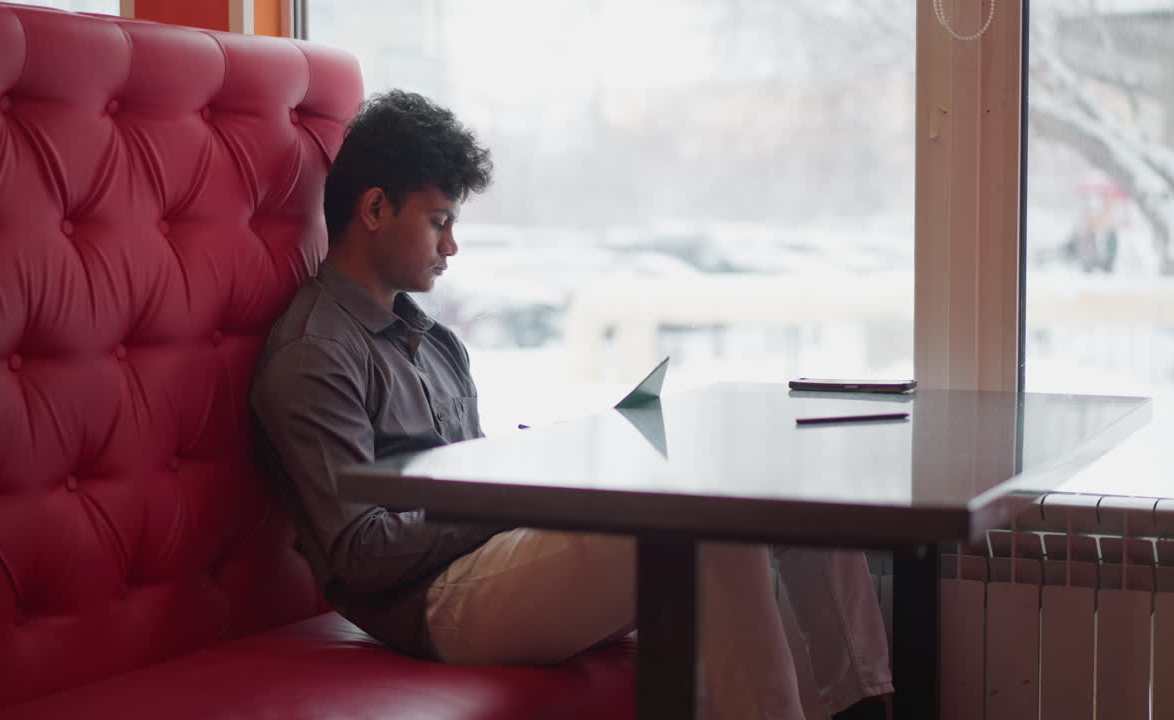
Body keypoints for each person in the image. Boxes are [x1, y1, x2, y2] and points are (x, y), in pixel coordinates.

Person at [251, 90, 892, 720]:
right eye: (439, 220)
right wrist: (510, 489)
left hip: (490, 558)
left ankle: (867, 705)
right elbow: (360, 554)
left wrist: (546, 461)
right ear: (373, 209)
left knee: (777, 487)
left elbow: (464, 477)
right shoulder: (316, 353)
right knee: (705, 523)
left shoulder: (432, 338)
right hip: (430, 605)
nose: (452, 247)